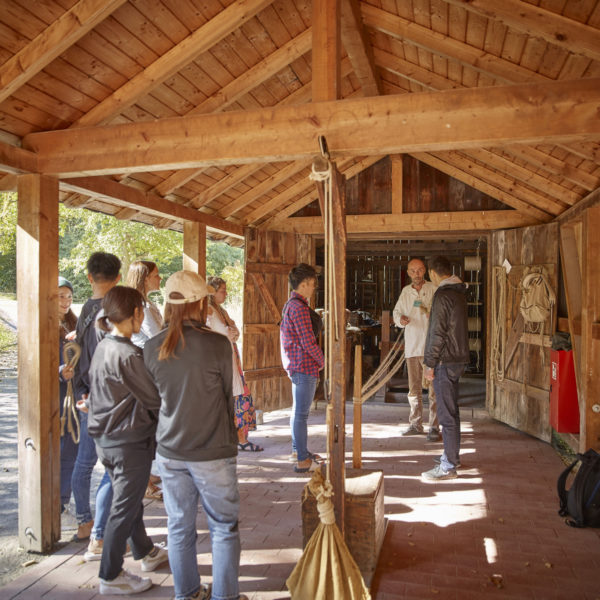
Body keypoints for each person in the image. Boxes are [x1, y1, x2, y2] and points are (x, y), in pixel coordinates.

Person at [143, 271, 247, 600]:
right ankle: (225, 596)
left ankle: (186, 593)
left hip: (171, 450)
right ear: (200, 302)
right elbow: (228, 395)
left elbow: (153, 400)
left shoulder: (150, 347)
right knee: (224, 529)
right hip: (213, 448)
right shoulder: (217, 343)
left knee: (178, 526)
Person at [88, 286, 168, 595]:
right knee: (123, 507)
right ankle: (110, 574)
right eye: (141, 311)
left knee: (130, 500)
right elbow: (154, 398)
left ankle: (146, 551)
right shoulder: (129, 354)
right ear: (136, 313)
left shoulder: (105, 346)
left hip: (106, 439)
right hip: (128, 441)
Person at [71, 252, 121, 542]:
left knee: (84, 461)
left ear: (89, 277)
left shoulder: (86, 310)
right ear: (117, 278)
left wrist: (80, 389)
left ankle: (83, 522)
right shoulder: (112, 313)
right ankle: (103, 531)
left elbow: (79, 351)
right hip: (106, 398)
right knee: (115, 466)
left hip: (83, 393)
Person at [422, 256, 469, 481]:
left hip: (444, 360)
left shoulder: (442, 295)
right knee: (453, 412)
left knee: (446, 415)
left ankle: (448, 465)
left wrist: (430, 363)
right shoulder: (459, 293)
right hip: (457, 359)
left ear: (432, 273)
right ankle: (452, 456)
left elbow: (438, 333)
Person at [207, 276, 263, 452]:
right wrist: (230, 330)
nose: (226, 293)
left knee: (239, 396)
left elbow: (235, 331)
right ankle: (239, 438)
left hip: (231, 358)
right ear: (212, 292)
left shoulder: (221, 310)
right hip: (222, 360)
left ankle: (240, 437)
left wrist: (231, 329)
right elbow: (229, 332)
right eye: (222, 290)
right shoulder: (209, 311)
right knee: (235, 399)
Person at [280, 263, 324, 474]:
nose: (313, 288)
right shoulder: (298, 307)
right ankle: (302, 460)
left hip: (298, 365)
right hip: (304, 365)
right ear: (304, 284)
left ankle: (300, 452)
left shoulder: (293, 305)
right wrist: (321, 360)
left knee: (297, 413)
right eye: (312, 284)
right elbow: (307, 341)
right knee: (301, 415)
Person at [127, 259, 165, 500]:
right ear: (145, 277)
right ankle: (144, 479)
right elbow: (155, 335)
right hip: (145, 367)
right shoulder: (140, 304)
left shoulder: (147, 302)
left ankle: (149, 476)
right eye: (156, 275)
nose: (159, 279)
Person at [392, 258, 439, 441]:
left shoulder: (433, 289)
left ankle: (434, 427)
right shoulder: (406, 292)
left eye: (419, 270)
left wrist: (432, 314)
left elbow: (441, 315)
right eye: (413, 271)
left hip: (430, 348)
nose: (417, 274)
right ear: (408, 273)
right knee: (414, 390)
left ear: (425, 271)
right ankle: (415, 424)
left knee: (434, 391)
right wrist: (400, 319)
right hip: (412, 347)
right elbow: (396, 312)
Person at [58, 277, 78, 513]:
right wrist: (61, 371)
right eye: (61, 296)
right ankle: (55, 498)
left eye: (69, 297)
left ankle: (62, 498)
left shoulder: (73, 322)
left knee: (72, 445)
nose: (66, 301)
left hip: (74, 394)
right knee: (59, 447)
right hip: (56, 393)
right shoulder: (41, 323)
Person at [126, 260, 163, 348]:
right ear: (146, 279)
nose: (160, 278)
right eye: (156, 275)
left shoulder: (142, 302)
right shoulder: (144, 307)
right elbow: (157, 336)